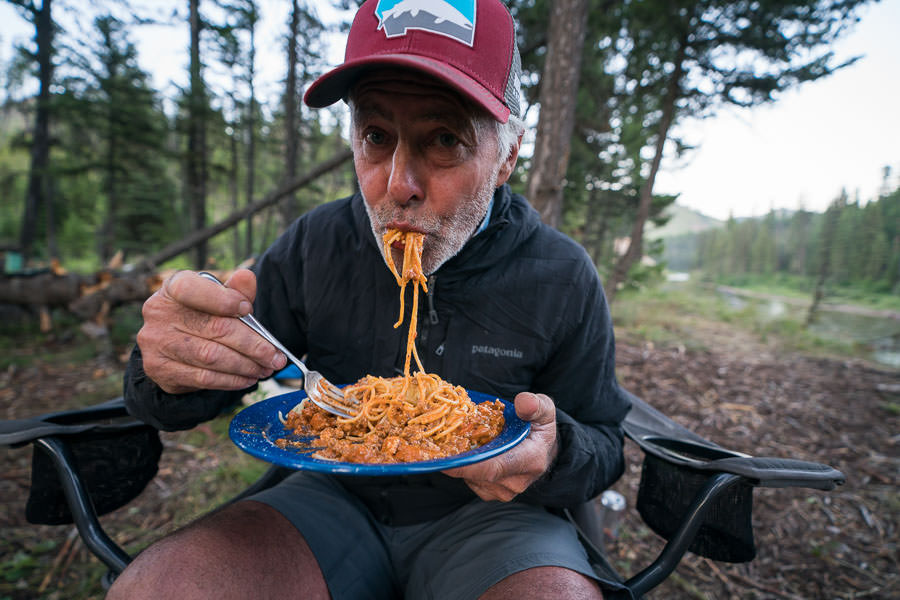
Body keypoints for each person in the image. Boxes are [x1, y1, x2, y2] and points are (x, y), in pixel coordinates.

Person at [107, 1, 631, 598]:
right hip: (332, 494)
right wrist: (170, 369)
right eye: (377, 137)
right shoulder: (318, 243)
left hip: (496, 517)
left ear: (507, 154)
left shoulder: (560, 273)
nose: (397, 186)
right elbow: (192, 389)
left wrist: (554, 453)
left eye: (444, 139)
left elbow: (605, 442)